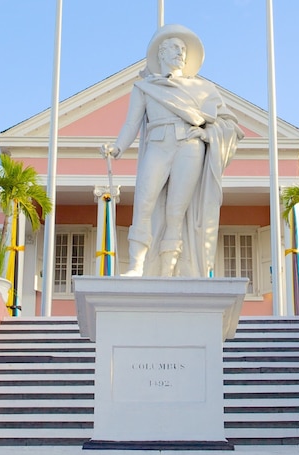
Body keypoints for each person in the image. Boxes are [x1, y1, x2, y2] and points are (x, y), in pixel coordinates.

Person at [103, 24, 244, 277]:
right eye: (175, 48)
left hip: (190, 146)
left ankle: (168, 270)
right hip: (158, 144)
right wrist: (118, 146)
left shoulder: (203, 89)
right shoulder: (145, 87)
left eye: (183, 49)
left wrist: (206, 134)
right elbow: (131, 123)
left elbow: (229, 124)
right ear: (161, 53)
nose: (181, 53)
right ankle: (137, 265)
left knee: (175, 212)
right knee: (144, 203)